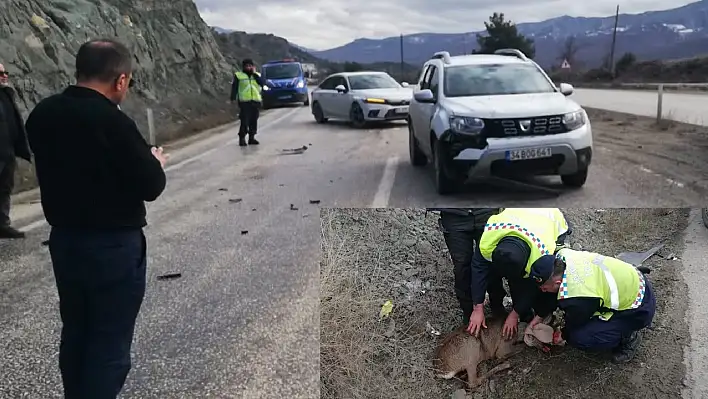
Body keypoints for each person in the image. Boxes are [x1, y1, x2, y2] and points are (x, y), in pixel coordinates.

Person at [25, 39, 167, 399]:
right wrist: (155, 162)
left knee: (77, 332)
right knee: (109, 344)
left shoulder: (42, 114)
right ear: (120, 80)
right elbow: (150, 185)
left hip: (66, 241)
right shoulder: (114, 122)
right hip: (113, 246)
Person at [529, 247, 655, 363]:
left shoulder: (578, 296)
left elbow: (575, 322)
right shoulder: (562, 256)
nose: (543, 291)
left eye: (545, 288)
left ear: (557, 283)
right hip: (632, 279)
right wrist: (539, 316)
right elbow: (551, 293)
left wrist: (562, 335)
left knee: (579, 337)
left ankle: (628, 337)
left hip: (638, 308)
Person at [466, 208, 571, 340]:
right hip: (519, 214)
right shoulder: (488, 241)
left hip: (551, 218)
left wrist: (515, 314)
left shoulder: (542, 253)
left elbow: (532, 285)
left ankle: (535, 314)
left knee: (542, 284)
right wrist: (478, 307)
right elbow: (479, 270)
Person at [429, 208, 502, 325]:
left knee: (492, 261)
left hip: (486, 210)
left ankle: (497, 306)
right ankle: (468, 312)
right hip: (454, 214)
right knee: (462, 267)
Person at [0, 63, 32, 239]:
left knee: (4, 188)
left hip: (7, 151)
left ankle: (2, 224)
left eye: (5, 72)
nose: (4, 76)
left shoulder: (6, 95)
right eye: (0, 73)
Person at [230, 58, 265, 147]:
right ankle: (242, 138)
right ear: (243, 67)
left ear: (253, 66)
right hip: (245, 102)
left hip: (255, 101)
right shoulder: (239, 76)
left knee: (254, 120)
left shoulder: (257, 75)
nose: (248, 68)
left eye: (250, 66)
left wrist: (254, 74)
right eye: (247, 66)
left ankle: (251, 138)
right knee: (244, 121)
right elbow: (235, 88)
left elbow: (262, 83)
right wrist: (233, 98)